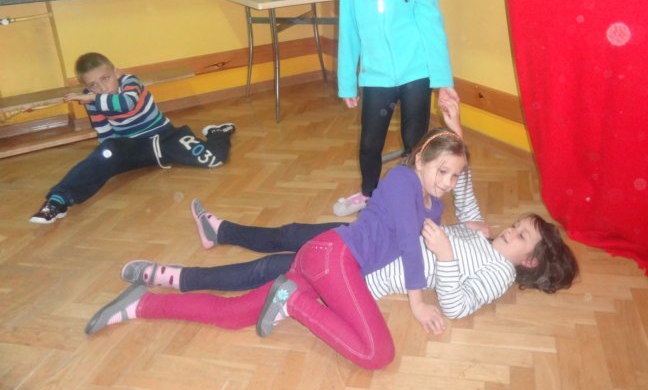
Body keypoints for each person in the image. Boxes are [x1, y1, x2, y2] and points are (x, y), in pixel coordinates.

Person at [86, 126, 472, 369]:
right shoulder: (404, 179)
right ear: (420, 159)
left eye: (455, 176)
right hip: (335, 258)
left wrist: (467, 225)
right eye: (442, 171)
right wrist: (418, 303)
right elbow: (407, 243)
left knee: (233, 315)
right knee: (378, 354)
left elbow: (429, 227)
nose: (447, 182)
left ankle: (139, 304)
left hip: (328, 265)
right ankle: (292, 302)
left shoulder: (434, 207)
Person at [334, 0, 460, 217]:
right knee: (369, 144)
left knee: (415, 144)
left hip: (416, 72)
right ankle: (369, 195)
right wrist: (347, 82)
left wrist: (443, 80)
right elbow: (349, 30)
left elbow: (431, 26)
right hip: (376, 76)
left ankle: (413, 196)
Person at [29, 52, 235, 224]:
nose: (102, 88)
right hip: (132, 146)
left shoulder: (130, 82)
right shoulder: (92, 100)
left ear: (116, 72)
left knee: (214, 159)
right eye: (93, 85)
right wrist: (108, 155)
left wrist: (93, 98)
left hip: (164, 137)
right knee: (102, 155)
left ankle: (217, 133)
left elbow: (126, 103)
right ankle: (58, 200)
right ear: (86, 86)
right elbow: (104, 131)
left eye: (105, 78)